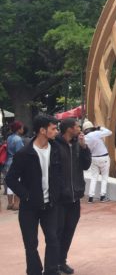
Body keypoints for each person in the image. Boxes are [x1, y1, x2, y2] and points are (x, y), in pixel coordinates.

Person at [6, 114, 61, 275]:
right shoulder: (24, 153)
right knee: (30, 244)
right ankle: (34, 271)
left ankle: (51, 270)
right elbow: (10, 179)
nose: (56, 131)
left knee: (53, 239)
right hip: (29, 207)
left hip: (50, 205)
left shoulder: (56, 149)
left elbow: (59, 174)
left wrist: (56, 193)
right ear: (42, 130)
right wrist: (26, 196)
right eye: (53, 128)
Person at [55, 118, 92, 274]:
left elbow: (86, 165)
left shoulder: (78, 145)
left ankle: (62, 261)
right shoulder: (54, 145)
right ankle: (53, 263)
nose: (80, 129)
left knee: (69, 230)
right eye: (77, 126)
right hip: (59, 198)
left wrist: (84, 148)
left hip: (75, 196)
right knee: (57, 232)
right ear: (69, 129)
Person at [83, 119, 112, 203]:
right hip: (104, 157)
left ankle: (91, 197)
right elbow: (109, 132)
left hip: (93, 158)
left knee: (93, 177)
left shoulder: (85, 137)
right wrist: (99, 127)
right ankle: (102, 196)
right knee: (104, 177)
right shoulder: (96, 133)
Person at [4, 120, 25, 210]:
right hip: (16, 163)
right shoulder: (18, 139)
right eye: (22, 128)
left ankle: (10, 203)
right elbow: (20, 153)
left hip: (7, 161)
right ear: (18, 129)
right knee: (17, 182)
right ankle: (16, 204)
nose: (23, 129)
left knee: (10, 183)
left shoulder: (9, 138)